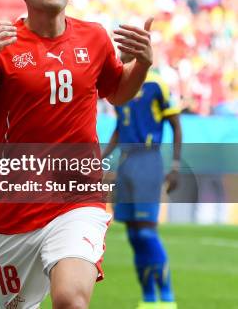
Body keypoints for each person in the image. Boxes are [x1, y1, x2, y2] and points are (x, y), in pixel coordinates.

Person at [0, 0, 154, 309]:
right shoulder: (1, 45)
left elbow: (118, 92)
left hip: (79, 197)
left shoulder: (95, 37)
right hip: (16, 209)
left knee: (71, 300)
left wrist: (143, 64)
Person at [101, 55, 181, 309]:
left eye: (124, 51)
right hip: (126, 161)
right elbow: (119, 128)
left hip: (148, 159)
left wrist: (176, 166)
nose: (119, 55)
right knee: (134, 235)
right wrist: (100, 159)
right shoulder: (120, 88)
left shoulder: (156, 84)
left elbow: (176, 126)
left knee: (147, 231)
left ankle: (167, 297)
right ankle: (148, 298)